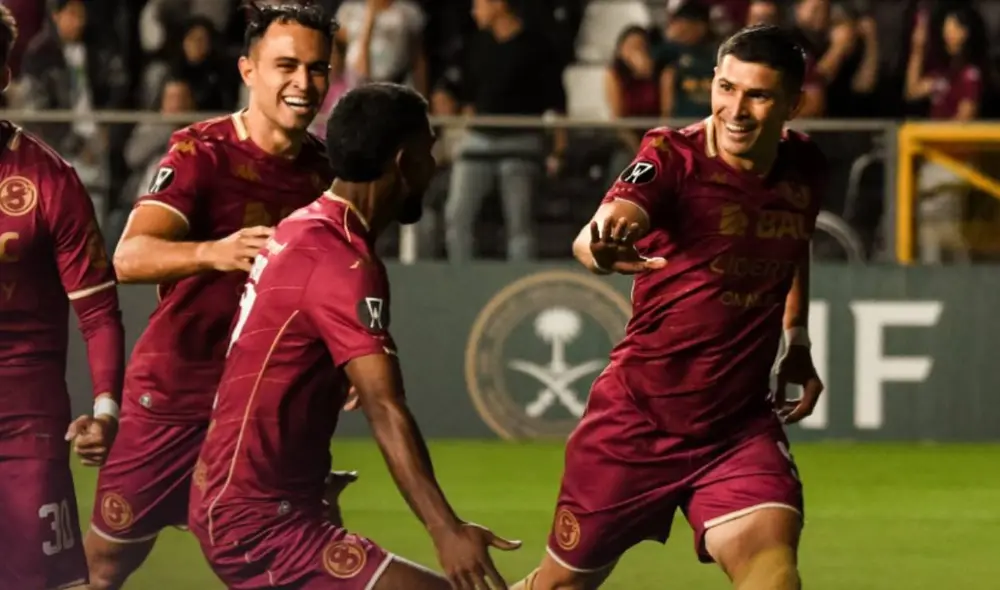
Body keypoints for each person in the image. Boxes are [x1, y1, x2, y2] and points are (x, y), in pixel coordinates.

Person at [512, 25, 826, 590]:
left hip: (736, 430)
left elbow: (793, 242)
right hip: (636, 424)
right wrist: (603, 248)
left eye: (758, 95)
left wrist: (796, 338)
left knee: (775, 577)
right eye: (726, 88)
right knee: (560, 586)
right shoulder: (670, 155)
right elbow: (606, 226)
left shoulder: (805, 166)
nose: (737, 110)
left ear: (792, 105)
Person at [190, 82, 520, 590]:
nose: (435, 167)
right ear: (404, 160)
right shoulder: (341, 260)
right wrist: (446, 530)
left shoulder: (302, 228)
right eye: (430, 152)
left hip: (256, 499)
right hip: (259, 522)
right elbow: (384, 406)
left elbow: (275, 350)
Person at [84, 3, 337, 588]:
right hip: (177, 398)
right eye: (287, 66)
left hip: (265, 408)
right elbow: (128, 257)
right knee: (105, 564)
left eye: (318, 68)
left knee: (289, 564)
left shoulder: (325, 171)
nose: (304, 83)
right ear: (249, 71)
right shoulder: (201, 152)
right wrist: (212, 252)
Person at [0, 6, 125, 589]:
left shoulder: (50, 180)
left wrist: (105, 411)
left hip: (26, 430)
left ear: (3, 74)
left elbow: (98, 313)